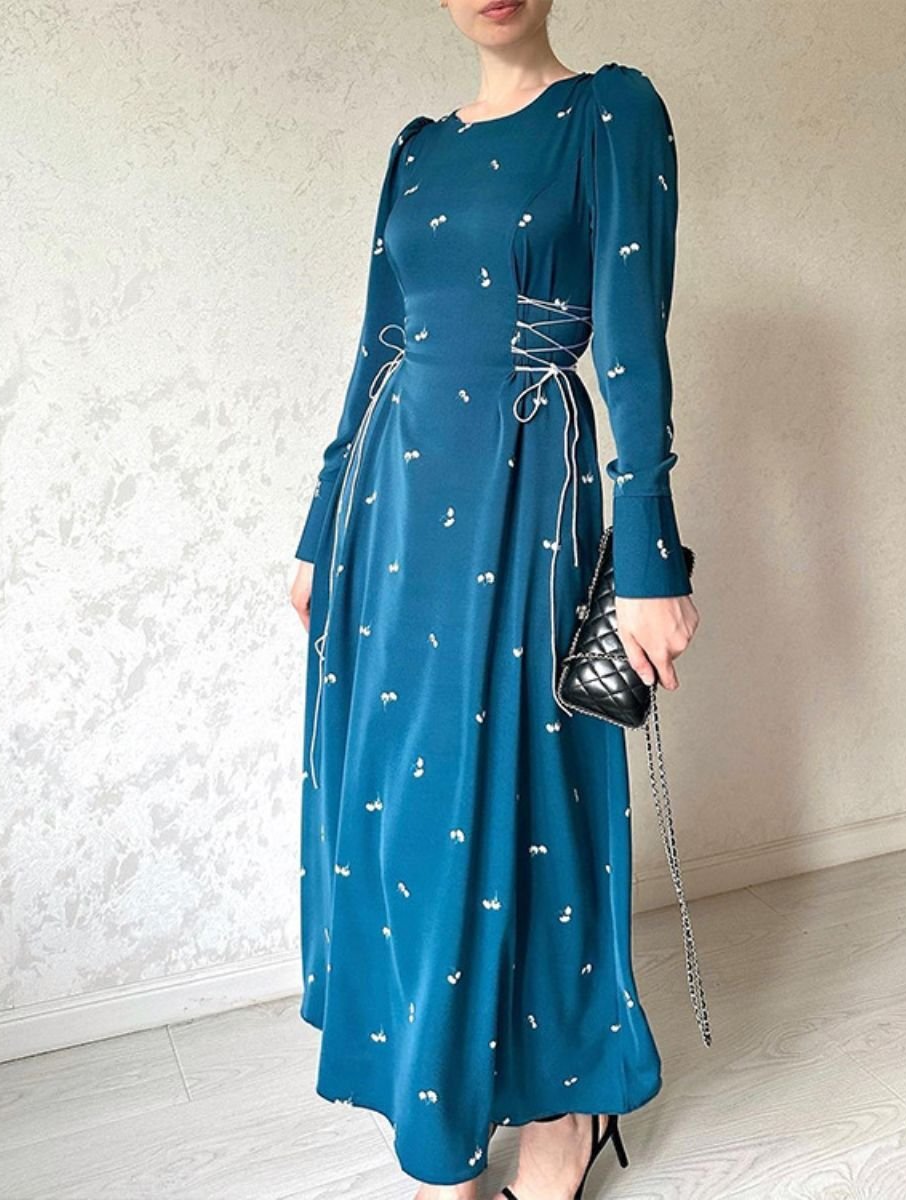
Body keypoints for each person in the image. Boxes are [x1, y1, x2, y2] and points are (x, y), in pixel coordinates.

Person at [288, 2, 699, 1196]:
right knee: (400, 811)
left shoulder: (610, 111)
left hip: (528, 493)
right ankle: (441, 1107)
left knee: (530, 795)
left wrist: (650, 560)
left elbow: (632, 342)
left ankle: (563, 1108)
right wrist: (320, 524)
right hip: (392, 509)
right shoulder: (416, 149)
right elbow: (377, 345)